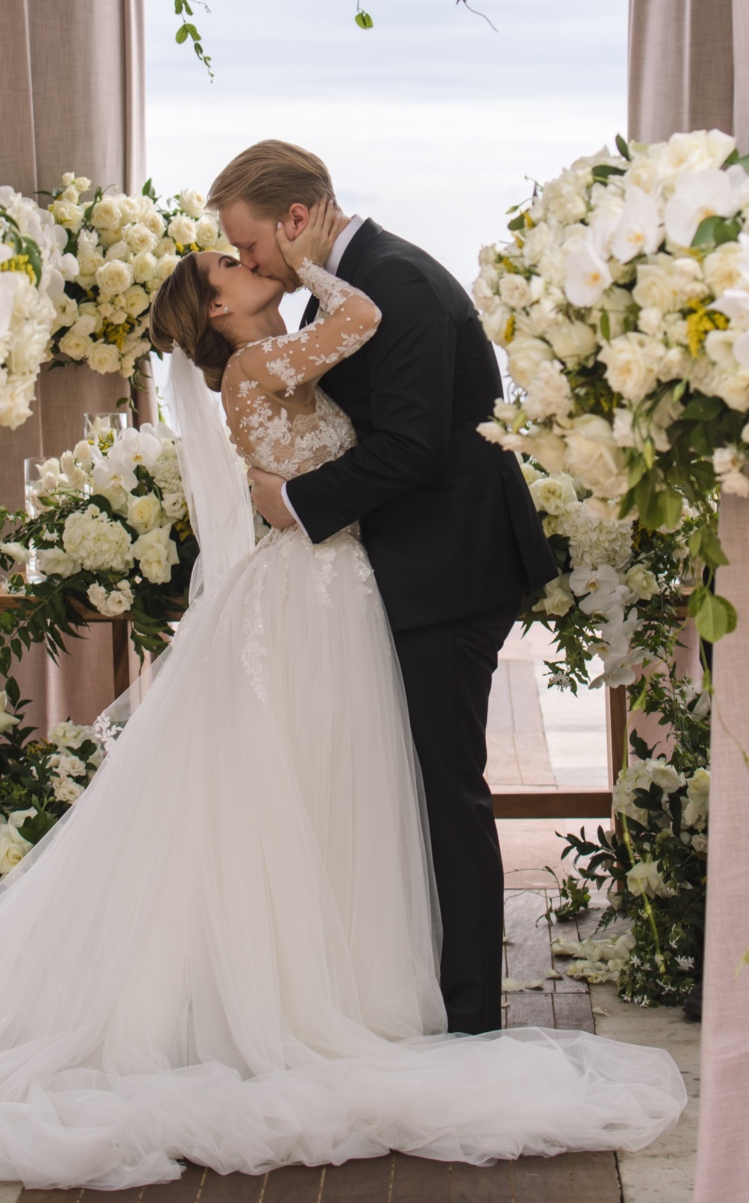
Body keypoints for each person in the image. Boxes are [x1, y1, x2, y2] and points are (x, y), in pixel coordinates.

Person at [0, 197, 685, 1201]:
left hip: (333, 582)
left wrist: (303, 268)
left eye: (244, 244)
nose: (246, 259)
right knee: (323, 778)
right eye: (230, 264)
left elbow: (372, 404)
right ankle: (328, 993)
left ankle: (359, 979)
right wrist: (314, 261)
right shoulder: (265, 362)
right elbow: (361, 330)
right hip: (314, 589)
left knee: (342, 780)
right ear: (218, 316)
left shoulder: (280, 348)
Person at [208, 140, 557, 1034]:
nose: (246, 264)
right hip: (412, 566)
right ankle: (413, 986)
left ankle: (472, 1016)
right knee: (405, 784)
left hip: (449, 569)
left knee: (446, 790)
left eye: (248, 245)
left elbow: (411, 449)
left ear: (297, 219)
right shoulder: (359, 279)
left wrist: (289, 500)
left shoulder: (391, 281)